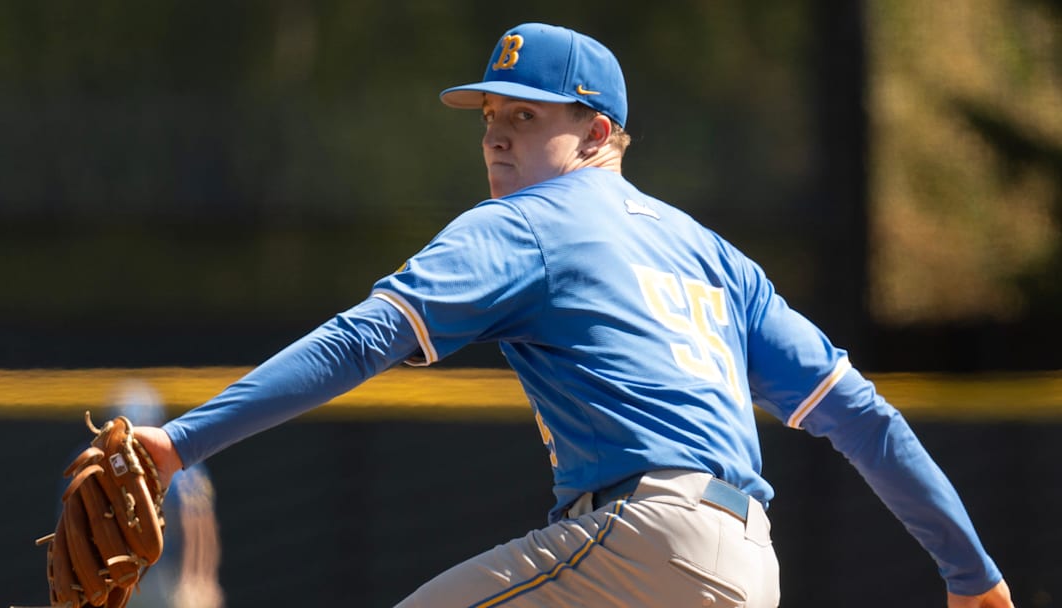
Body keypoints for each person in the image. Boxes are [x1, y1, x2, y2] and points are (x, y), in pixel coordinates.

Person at [134, 22, 1013, 607]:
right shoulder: (714, 257)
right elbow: (862, 417)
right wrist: (971, 574)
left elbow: (363, 338)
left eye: (525, 115)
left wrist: (180, 443)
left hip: (645, 546)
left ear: (597, 134)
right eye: (489, 115)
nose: (495, 135)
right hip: (748, 568)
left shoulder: (527, 223)